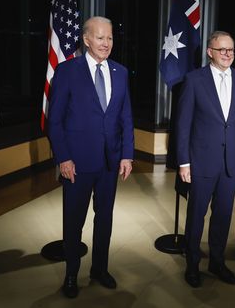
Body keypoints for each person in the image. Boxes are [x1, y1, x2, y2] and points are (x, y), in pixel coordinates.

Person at [47, 16, 134, 298]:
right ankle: (71, 274)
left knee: (104, 219)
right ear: (86, 39)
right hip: (77, 163)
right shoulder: (67, 71)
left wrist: (127, 155)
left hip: (110, 162)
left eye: (109, 38)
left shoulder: (120, 72)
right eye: (100, 38)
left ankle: (100, 268)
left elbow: (125, 117)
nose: (106, 43)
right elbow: (55, 121)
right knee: (74, 222)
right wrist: (64, 158)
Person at [176, 31, 235, 288]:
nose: (227, 54)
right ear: (210, 52)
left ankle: (217, 262)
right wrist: (184, 162)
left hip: (231, 163)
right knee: (196, 215)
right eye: (222, 50)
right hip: (201, 162)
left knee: (223, 215)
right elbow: (183, 125)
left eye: (231, 49)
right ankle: (192, 265)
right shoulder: (194, 80)